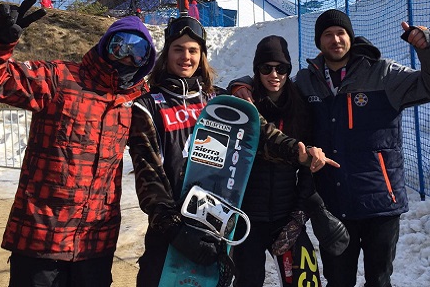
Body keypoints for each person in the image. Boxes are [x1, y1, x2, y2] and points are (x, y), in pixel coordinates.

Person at [233, 9, 430, 287]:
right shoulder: (307, 80)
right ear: (318, 42)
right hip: (334, 203)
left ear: (349, 36)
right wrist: (241, 84)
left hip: (379, 203)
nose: (335, 39)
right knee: (337, 280)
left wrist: (429, 47)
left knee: (379, 280)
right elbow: (273, 81)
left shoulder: (383, 73)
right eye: (327, 34)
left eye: (341, 33)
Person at [0, 0, 157, 287]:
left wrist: (240, 87)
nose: (127, 56)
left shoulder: (137, 102)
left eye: (137, 51)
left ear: (146, 60)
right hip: (41, 239)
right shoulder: (59, 79)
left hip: (94, 244)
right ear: (105, 46)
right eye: (120, 45)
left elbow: (184, 104)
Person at [128, 16, 334, 287]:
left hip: (214, 225)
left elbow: (261, 137)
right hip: (169, 231)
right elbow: (149, 177)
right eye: (178, 49)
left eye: (193, 50)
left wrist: (300, 153)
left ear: (202, 56)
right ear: (167, 53)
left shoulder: (219, 101)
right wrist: (174, 228)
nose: (185, 57)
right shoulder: (148, 106)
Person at [231, 35, 349, 287]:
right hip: (248, 216)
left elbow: (309, 171)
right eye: (266, 68)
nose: (274, 75)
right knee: (247, 281)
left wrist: (297, 216)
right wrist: (237, 85)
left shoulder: (300, 107)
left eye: (281, 68)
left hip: (284, 214)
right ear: (256, 71)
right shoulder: (245, 104)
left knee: (306, 281)